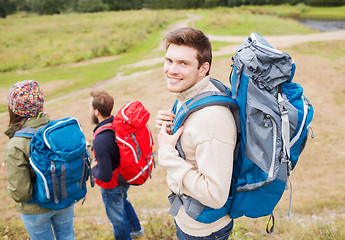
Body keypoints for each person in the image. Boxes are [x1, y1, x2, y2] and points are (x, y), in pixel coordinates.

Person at [156, 27, 237, 239]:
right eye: (169, 60)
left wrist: (166, 153)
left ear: (203, 68)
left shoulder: (212, 120)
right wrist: (170, 124)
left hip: (203, 231)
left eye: (184, 63)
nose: (172, 70)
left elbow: (215, 195)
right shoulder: (194, 95)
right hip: (192, 219)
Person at [3, 80, 75, 240]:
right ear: (40, 103)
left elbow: (21, 193)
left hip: (35, 211)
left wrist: (10, 181)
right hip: (65, 200)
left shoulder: (15, 146)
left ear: (14, 109)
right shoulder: (57, 130)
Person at [89, 90, 145, 240]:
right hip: (124, 177)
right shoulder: (117, 125)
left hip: (111, 185)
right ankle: (136, 230)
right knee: (123, 201)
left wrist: (93, 170)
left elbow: (105, 176)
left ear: (96, 112)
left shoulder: (100, 140)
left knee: (117, 219)